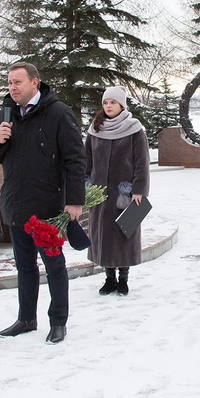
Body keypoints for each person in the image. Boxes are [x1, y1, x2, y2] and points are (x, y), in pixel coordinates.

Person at [0, 62, 86, 344]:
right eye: (9, 83)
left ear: (35, 83)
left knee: (54, 267)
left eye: (18, 82)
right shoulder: (7, 113)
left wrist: (75, 201)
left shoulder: (59, 113)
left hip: (48, 209)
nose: (12, 88)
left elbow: (76, 160)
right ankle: (26, 318)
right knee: (24, 266)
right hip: (16, 205)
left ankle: (58, 321)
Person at [84, 86, 151, 296]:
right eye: (105, 102)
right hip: (99, 195)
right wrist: (86, 185)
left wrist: (139, 190)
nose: (108, 106)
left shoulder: (134, 129)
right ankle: (109, 278)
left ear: (122, 105)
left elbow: (142, 163)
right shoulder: (95, 129)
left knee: (124, 235)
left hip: (125, 195)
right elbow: (86, 161)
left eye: (113, 102)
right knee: (102, 236)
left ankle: (123, 279)